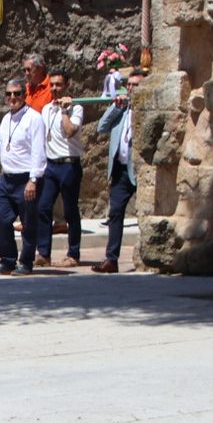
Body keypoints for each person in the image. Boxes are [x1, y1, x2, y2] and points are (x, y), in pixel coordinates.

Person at [0, 79, 45, 274]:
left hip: (26, 178)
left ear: (24, 95)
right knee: (1, 218)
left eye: (17, 93)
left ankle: (26, 262)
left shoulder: (34, 118)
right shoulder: (6, 119)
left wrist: (33, 180)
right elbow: (4, 147)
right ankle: (7, 259)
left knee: (28, 222)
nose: (12, 98)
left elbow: (38, 151)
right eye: (8, 94)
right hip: (7, 177)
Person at [94, 70, 144, 273]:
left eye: (135, 85)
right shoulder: (121, 109)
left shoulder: (147, 109)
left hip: (140, 170)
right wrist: (115, 107)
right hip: (121, 169)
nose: (130, 88)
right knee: (115, 213)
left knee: (145, 212)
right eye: (129, 84)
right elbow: (101, 127)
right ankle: (111, 259)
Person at [36, 73, 85, 267]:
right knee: (43, 207)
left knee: (70, 210)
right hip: (51, 165)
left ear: (67, 85)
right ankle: (44, 253)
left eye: (59, 84)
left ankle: (73, 254)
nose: (55, 88)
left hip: (69, 164)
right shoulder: (46, 109)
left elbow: (70, 131)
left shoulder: (76, 108)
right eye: (52, 85)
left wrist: (65, 111)